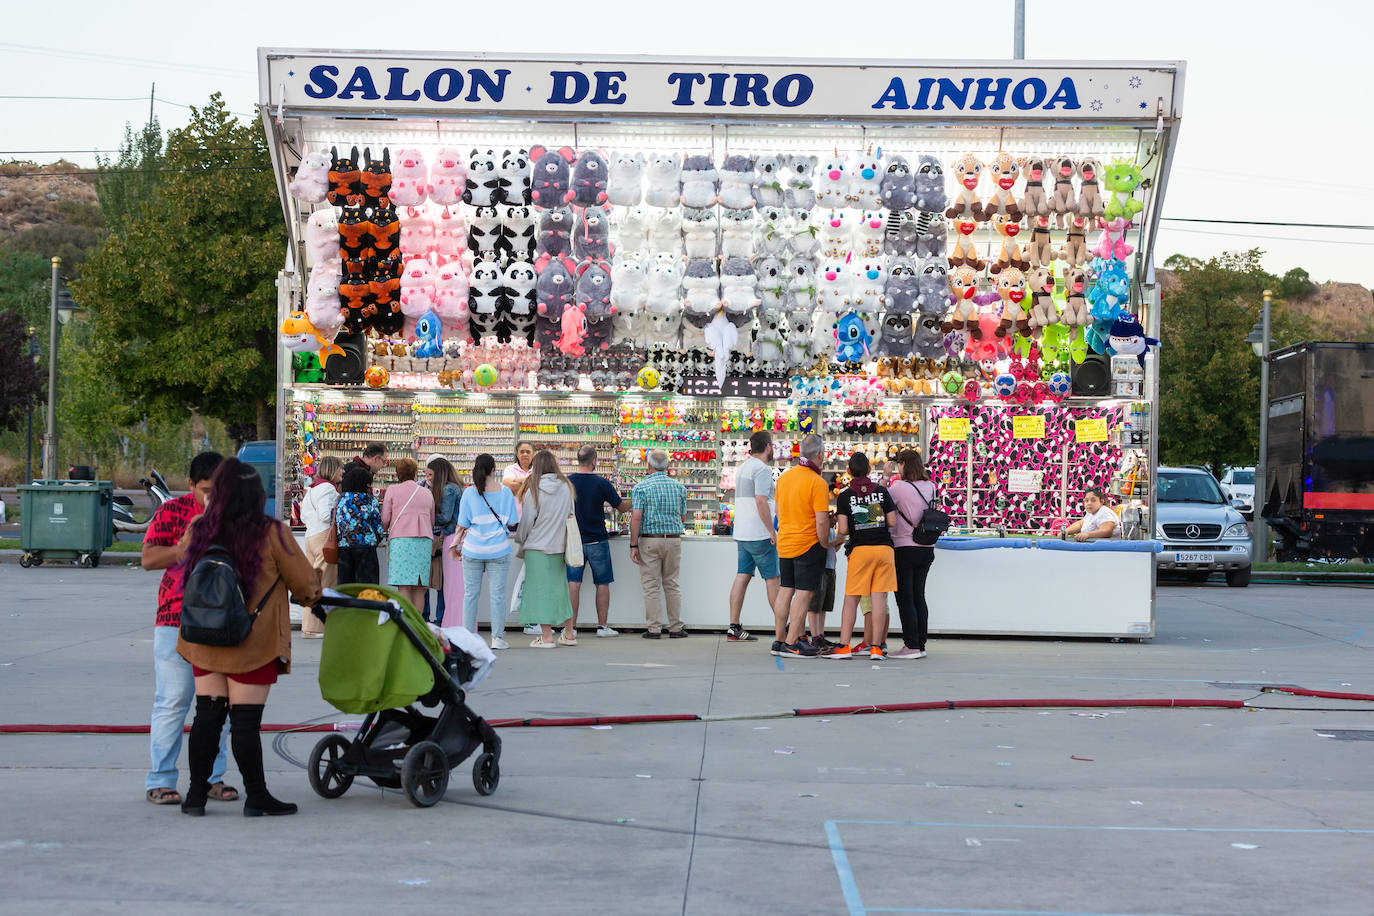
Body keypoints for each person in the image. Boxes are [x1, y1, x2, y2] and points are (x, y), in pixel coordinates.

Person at [176, 458, 322, 817]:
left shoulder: (200, 527)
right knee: (245, 722)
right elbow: (304, 584)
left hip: (204, 636)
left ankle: (195, 796)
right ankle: (256, 795)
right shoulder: (271, 531)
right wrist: (315, 603)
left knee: (207, 716)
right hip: (251, 641)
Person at [142, 451, 234, 807]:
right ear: (191, 484)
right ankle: (161, 780)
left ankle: (212, 777)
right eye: (207, 490)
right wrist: (182, 548)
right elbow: (148, 559)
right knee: (172, 701)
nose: (214, 498)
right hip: (175, 619)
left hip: (222, 620)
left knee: (216, 705)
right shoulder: (172, 512)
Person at [823, 453, 898, 660]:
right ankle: (876, 647)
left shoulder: (845, 496)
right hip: (884, 550)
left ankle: (844, 646)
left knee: (851, 599)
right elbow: (892, 522)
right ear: (870, 470)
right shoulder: (882, 492)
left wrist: (829, 543)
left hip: (861, 551)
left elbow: (844, 529)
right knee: (879, 598)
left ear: (848, 472)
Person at [771, 434, 835, 658]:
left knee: (786, 590)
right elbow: (820, 519)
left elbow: (778, 512)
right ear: (820, 454)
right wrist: (825, 542)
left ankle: (779, 640)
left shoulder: (784, 478)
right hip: (808, 543)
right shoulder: (817, 482)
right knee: (804, 594)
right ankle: (792, 643)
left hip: (786, 542)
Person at [566, 446, 630, 640]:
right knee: (602, 583)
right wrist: (635, 499)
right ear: (594, 461)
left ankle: (571, 628)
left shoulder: (567, 482)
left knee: (573, 583)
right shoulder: (602, 483)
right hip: (598, 539)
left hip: (574, 540)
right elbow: (621, 507)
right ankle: (602, 626)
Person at [514, 450, 577, 648]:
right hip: (559, 546)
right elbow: (570, 515)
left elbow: (526, 520)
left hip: (536, 547)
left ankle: (547, 636)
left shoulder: (535, 487)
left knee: (539, 591)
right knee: (560, 591)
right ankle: (569, 634)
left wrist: (520, 539)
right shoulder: (567, 486)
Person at [455, 453, 518, 648]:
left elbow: (463, 523)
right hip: (498, 550)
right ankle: (497, 638)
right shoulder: (506, 492)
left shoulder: (469, 492)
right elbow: (513, 522)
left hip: (472, 549)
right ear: (494, 469)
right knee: (497, 595)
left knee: (470, 594)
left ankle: (467, 639)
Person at [630, 449, 689, 639]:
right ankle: (676, 627)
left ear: (648, 466)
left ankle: (654, 629)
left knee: (651, 585)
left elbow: (637, 517)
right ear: (667, 466)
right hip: (673, 539)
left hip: (650, 539)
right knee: (672, 583)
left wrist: (633, 545)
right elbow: (682, 516)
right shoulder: (679, 487)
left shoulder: (641, 488)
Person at [726, 430, 777, 642]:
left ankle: (734, 626)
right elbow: (760, 501)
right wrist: (771, 530)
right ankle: (787, 628)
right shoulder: (762, 469)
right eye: (772, 445)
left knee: (742, 575)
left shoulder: (743, 467)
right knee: (773, 579)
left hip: (743, 533)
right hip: (760, 534)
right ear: (767, 447)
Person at [888, 449, 937, 660]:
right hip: (926, 548)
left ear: (904, 465)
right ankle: (921, 643)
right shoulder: (931, 486)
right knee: (919, 596)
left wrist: (885, 478)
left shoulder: (898, 487)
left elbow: (882, 506)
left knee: (905, 598)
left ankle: (911, 645)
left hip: (904, 546)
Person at [381, 458, 435, 613]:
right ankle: (417, 626)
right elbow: (431, 521)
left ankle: (406, 625)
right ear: (415, 473)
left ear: (398, 474)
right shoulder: (426, 493)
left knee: (404, 585)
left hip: (401, 541)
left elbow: (385, 519)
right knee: (419, 586)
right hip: (423, 541)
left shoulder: (392, 490)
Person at [298, 456, 343, 638]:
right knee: (324, 583)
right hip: (324, 537)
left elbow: (303, 516)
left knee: (313, 583)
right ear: (333, 470)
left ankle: (308, 626)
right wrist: (338, 510)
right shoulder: (328, 489)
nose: (343, 472)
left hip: (311, 536)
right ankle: (317, 628)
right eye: (340, 469)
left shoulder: (313, 488)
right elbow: (326, 515)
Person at [503, 441, 536, 633]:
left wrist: (519, 485)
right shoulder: (510, 469)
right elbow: (508, 486)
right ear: (517, 453)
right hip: (514, 524)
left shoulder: (537, 469)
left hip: (532, 525)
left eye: (528, 451)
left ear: (533, 454)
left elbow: (518, 487)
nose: (524, 454)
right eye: (522, 451)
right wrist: (529, 484)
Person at [426, 456, 463, 626]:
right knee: (451, 584)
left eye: (431, 474)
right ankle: (447, 620)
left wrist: (425, 517)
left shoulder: (448, 490)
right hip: (457, 537)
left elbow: (445, 517)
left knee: (447, 583)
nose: (429, 478)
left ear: (439, 474)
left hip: (450, 537)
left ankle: (444, 621)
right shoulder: (456, 487)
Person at [334, 464, 383, 584]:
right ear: (365, 483)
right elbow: (378, 526)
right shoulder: (370, 500)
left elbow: (335, 521)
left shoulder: (341, 499)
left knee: (346, 590)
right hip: (366, 548)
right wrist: (375, 539)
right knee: (368, 590)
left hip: (344, 547)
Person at [804, 508, 840, 651]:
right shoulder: (817, 523)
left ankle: (820, 634)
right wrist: (837, 539)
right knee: (814, 605)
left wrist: (837, 540)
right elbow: (823, 544)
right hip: (819, 566)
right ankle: (815, 636)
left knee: (824, 604)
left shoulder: (828, 525)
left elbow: (833, 549)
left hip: (830, 566)